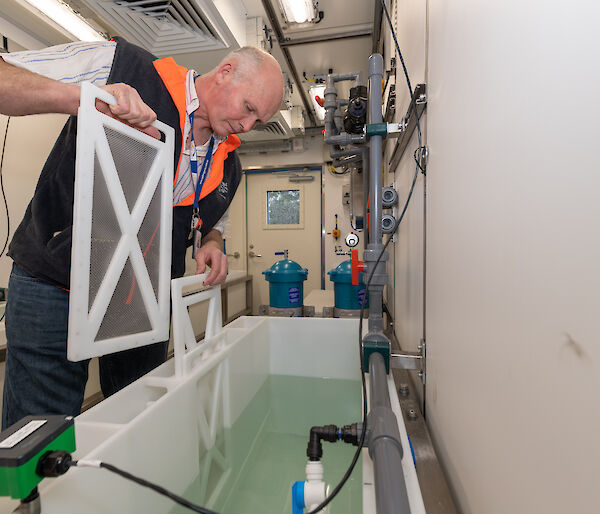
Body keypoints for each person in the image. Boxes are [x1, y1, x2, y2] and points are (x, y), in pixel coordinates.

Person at [0, 37, 284, 429]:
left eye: (259, 121)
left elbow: (213, 221)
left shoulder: (228, 165)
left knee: (136, 424)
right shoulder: (123, 65)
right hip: (56, 287)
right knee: (40, 436)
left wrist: (214, 242)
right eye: (249, 108)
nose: (248, 126)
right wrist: (84, 98)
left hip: (141, 306)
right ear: (225, 72)